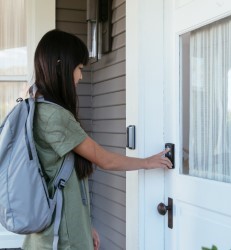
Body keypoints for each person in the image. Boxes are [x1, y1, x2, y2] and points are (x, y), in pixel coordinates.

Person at [22, 29, 173, 250]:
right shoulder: (54, 116)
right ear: (60, 65)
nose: (81, 76)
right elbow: (104, 160)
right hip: (61, 237)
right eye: (79, 68)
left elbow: (65, 178)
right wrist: (147, 162)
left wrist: (85, 225)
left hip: (55, 230)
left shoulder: (37, 107)